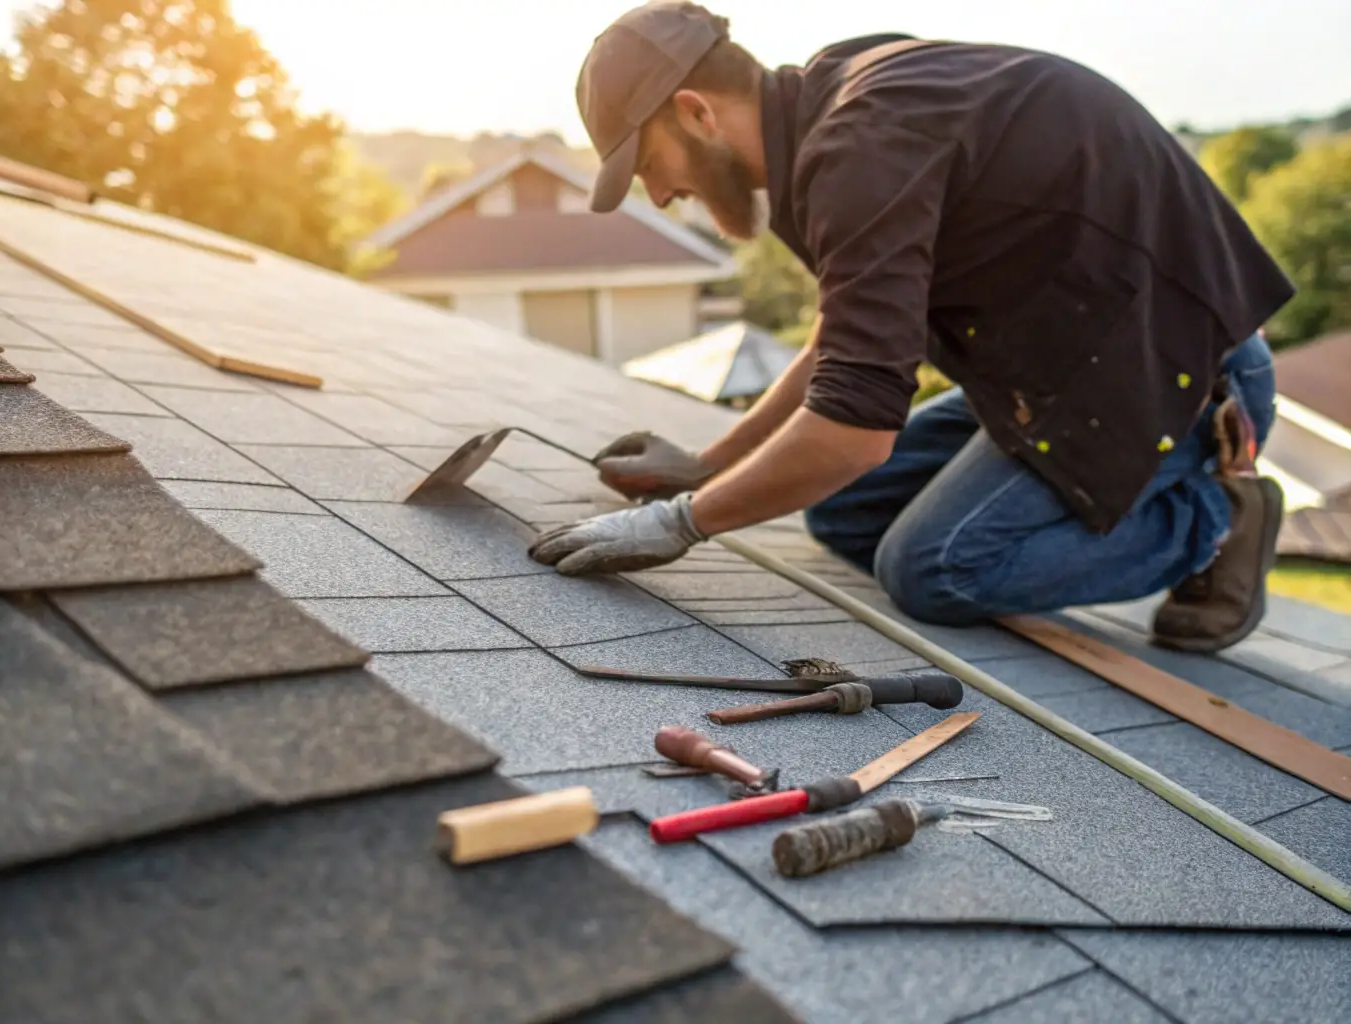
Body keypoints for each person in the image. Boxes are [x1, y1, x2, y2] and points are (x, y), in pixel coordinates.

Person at [529, 1, 1294, 654]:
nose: (660, 194)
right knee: (842, 511)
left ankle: (1214, 519)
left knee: (933, 571)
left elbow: (854, 430)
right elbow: (846, 335)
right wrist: (710, 463)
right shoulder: (829, 109)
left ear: (695, 112)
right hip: (1065, 369)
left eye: (649, 164)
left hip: (1182, 378)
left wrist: (681, 523)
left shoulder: (858, 146)